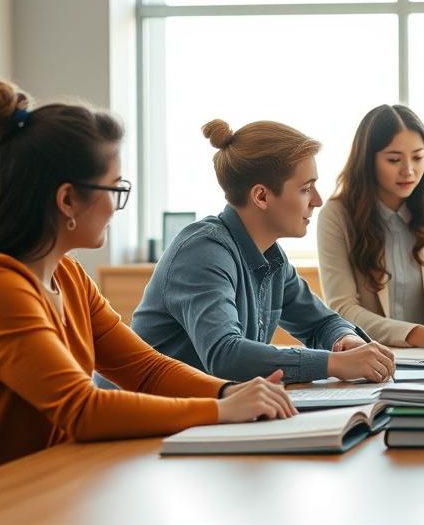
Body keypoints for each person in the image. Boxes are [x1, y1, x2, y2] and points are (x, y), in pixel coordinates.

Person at [0, 83, 293, 502]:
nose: (116, 207)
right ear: (67, 200)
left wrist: (226, 391)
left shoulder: (67, 276)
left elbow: (146, 370)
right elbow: (82, 410)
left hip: (24, 495)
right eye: (115, 190)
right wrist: (221, 410)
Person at [132, 119, 396, 384]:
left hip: (208, 414)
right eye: (305, 189)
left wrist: (345, 340)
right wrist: (333, 364)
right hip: (146, 420)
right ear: (261, 197)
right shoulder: (202, 253)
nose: (317, 200)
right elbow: (225, 355)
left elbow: (320, 323)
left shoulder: (271, 256)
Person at [317, 105, 424, 348]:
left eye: (418, 157)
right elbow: (342, 308)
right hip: (367, 354)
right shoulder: (336, 215)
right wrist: (417, 334)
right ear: (368, 160)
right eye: (394, 159)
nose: (409, 171)